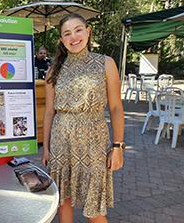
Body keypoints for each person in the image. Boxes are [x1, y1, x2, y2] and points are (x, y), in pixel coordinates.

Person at [41, 13, 124, 223]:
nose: (73, 37)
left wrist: (117, 146)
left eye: (78, 30)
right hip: (61, 140)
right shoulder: (53, 71)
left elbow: (115, 107)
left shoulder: (106, 63)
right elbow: (50, 112)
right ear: (61, 40)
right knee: (63, 203)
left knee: (94, 207)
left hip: (93, 141)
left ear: (88, 32)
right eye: (67, 33)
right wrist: (46, 147)